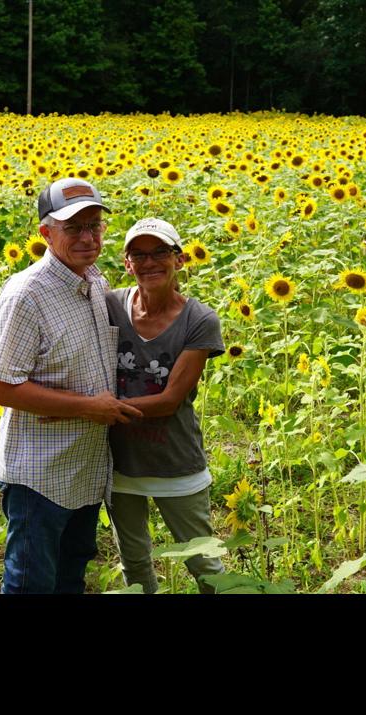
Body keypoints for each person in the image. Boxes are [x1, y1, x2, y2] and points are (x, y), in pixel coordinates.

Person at [0, 177, 142, 594]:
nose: (88, 238)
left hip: (85, 468)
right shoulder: (27, 296)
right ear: (46, 233)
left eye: (95, 226)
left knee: (71, 577)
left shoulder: (94, 281)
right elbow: (3, 388)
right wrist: (90, 407)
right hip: (40, 473)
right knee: (31, 583)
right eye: (74, 228)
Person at [105, 217, 228, 594]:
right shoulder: (109, 305)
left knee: (203, 561)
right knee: (134, 561)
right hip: (119, 462)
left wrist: (98, 409)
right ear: (126, 263)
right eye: (138, 254)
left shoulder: (199, 320)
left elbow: (170, 401)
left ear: (180, 259)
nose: (149, 262)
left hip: (175, 461)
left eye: (161, 252)